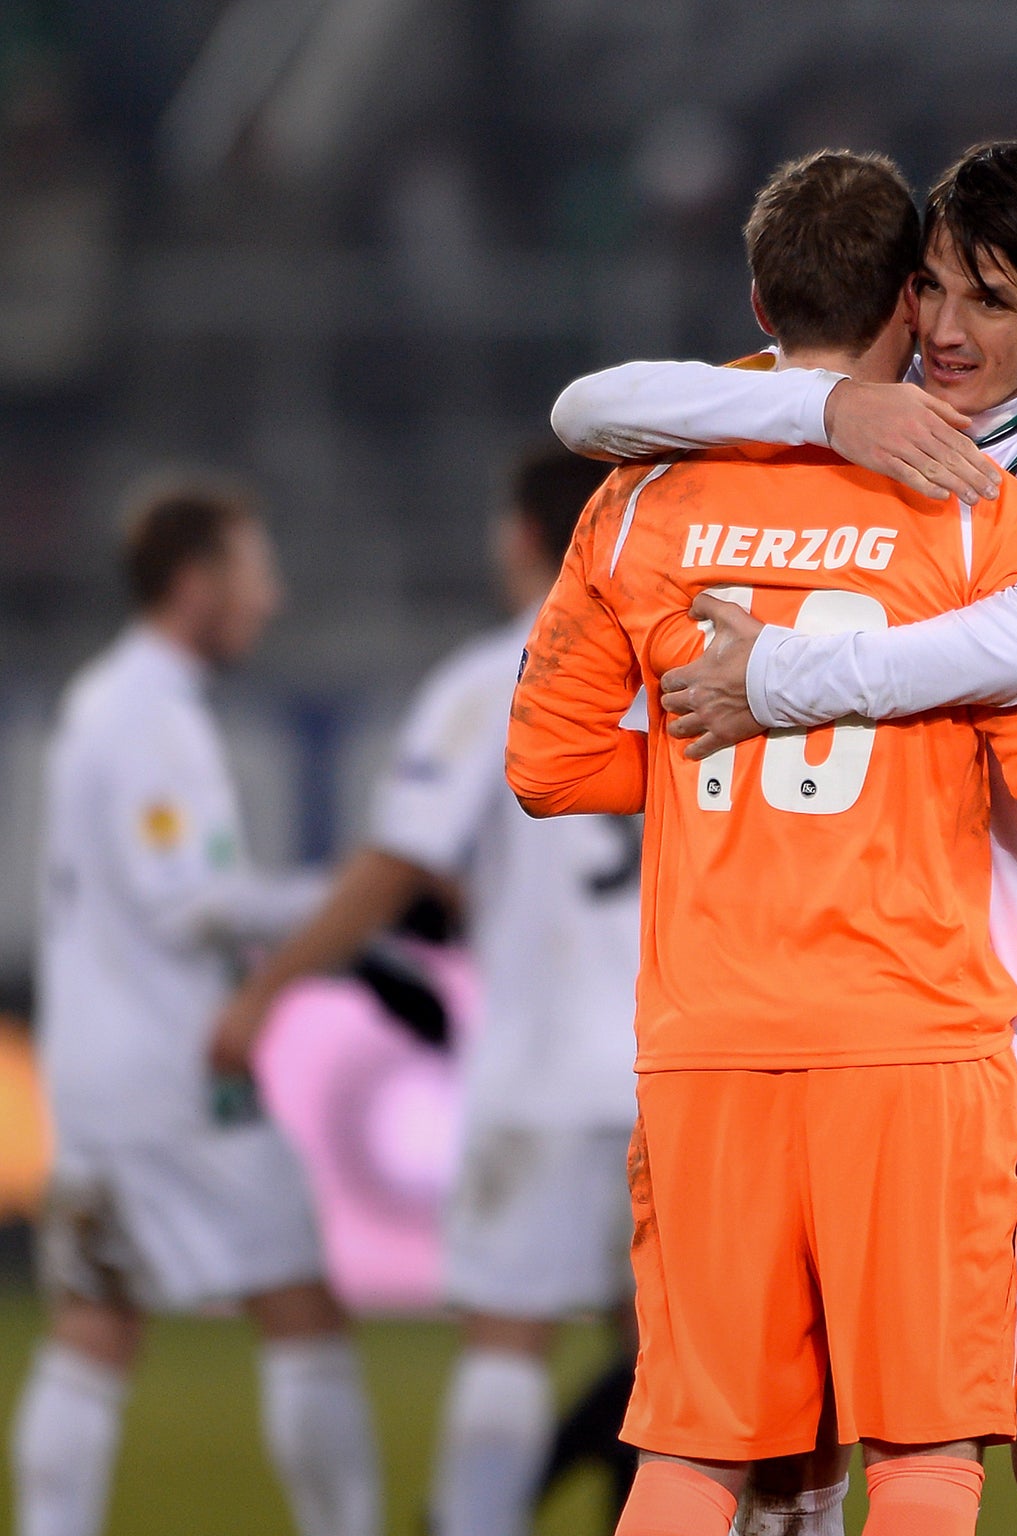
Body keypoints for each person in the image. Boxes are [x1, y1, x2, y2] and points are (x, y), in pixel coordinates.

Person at [503, 149, 1017, 1536]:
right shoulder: (834, 429)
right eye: (932, 287)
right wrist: (832, 405)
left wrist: (770, 688)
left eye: (993, 300)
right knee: (827, 1438)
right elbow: (593, 405)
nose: (951, 328)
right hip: (896, 1000)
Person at [207, 444, 633, 1536]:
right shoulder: (679, 665)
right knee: (676, 1360)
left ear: (525, 535)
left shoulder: (496, 675)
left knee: (508, 1337)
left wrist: (271, 990)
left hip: (538, 1069)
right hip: (676, 1075)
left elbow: (397, 857)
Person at [11, 479, 381, 1536]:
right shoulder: (153, 714)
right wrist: (355, 893)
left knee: (94, 1321)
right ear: (194, 583)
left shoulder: (101, 699)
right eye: (253, 572)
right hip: (174, 1074)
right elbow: (190, 903)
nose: (269, 598)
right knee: (300, 1303)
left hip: (89, 1069)